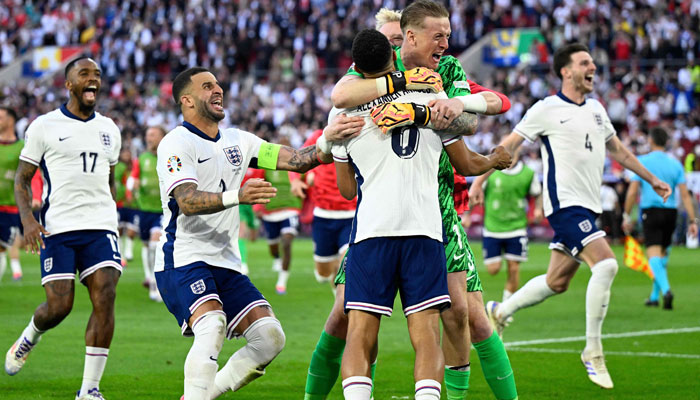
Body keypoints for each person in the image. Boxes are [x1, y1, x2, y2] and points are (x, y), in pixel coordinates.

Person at [307, 2, 518, 400]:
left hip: (427, 210)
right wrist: (421, 106)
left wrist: (446, 106)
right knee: (359, 320)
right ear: (403, 41)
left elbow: (477, 114)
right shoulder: (413, 87)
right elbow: (340, 95)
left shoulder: (445, 73)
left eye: (447, 36)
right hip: (417, 223)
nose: (445, 43)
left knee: (464, 314)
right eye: (439, 35)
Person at [470, 43, 672, 390]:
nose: (592, 67)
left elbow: (618, 150)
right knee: (607, 264)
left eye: (593, 61)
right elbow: (512, 144)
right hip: (565, 205)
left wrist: (651, 178)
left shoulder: (596, 109)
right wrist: (480, 180)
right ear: (566, 71)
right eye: (585, 62)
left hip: (588, 206)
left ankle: (499, 312)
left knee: (556, 282)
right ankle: (593, 351)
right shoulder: (546, 108)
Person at [154, 66, 362, 400]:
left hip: (226, 261)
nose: (218, 90)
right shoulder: (175, 143)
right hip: (183, 256)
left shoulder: (240, 140)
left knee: (270, 338)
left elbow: (298, 159)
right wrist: (239, 196)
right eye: (208, 87)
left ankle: (202, 395)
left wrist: (329, 136)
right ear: (187, 101)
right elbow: (187, 200)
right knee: (211, 326)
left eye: (219, 84)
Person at [5, 56, 123, 400]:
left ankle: (89, 390)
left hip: (100, 227)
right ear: (69, 84)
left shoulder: (109, 129)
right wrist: (28, 220)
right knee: (59, 307)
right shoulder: (44, 126)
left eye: (97, 74)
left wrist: (110, 215)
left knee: (105, 295)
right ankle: (30, 335)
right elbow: (23, 180)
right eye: (84, 74)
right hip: (58, 228)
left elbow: (110, 180)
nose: (93, 80)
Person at [622, 127, 698, 309]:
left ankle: (667, 290)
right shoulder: (675, 164)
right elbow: (685, 195)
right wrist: (693, 220)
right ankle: (655, 296)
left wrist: (626, 214)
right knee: (663, 255)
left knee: (653, 254)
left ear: (651, 141)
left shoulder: (642, 162)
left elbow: (632, 191)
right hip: (671, 212)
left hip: (651, 210)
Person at [289, 128, 358, 291]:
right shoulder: (320, 135)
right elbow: (299, 158)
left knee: (346, 264)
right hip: (323, 215)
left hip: (351, 215)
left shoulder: (358, 132)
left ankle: (341, 304)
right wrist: (295, 181)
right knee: (323, 273)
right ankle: (334, 283)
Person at [469, 150, 542, 303]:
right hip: (492, 227)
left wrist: (537, 209)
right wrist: (467, 214)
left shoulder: (528, 173)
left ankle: (506, 307)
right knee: (493, 269)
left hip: (517, 227)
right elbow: (475, 191)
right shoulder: (489, 173)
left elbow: (537, 193)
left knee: (514, 267)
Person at [249, 136, 304, 295]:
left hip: (291, 209)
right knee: (273, 247)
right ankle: (277, 259)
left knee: (287, 242)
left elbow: (308, 183)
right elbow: (258, 182)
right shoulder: (267, 164)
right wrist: (258, 206)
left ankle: (282, 282)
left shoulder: (298, 165)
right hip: (270, 212)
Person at [132, 125, 166, 301]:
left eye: (153, 135)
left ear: (162, 137)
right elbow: (134, 178)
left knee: (155, 243)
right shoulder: (142, 158)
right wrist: (134, 184)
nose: (149, 138)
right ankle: (149, 276)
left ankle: (155, 282)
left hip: (162, 209)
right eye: (147, 135)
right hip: (144, 208)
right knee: (146, 245)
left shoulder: (168, 156)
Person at [0, 106, 25, 281]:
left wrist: (35, 196)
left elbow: (32, 175)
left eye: (0, 117)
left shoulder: (22, 147)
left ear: (11, 120)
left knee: (2, 247)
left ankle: (15, 269)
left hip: (8, 207)